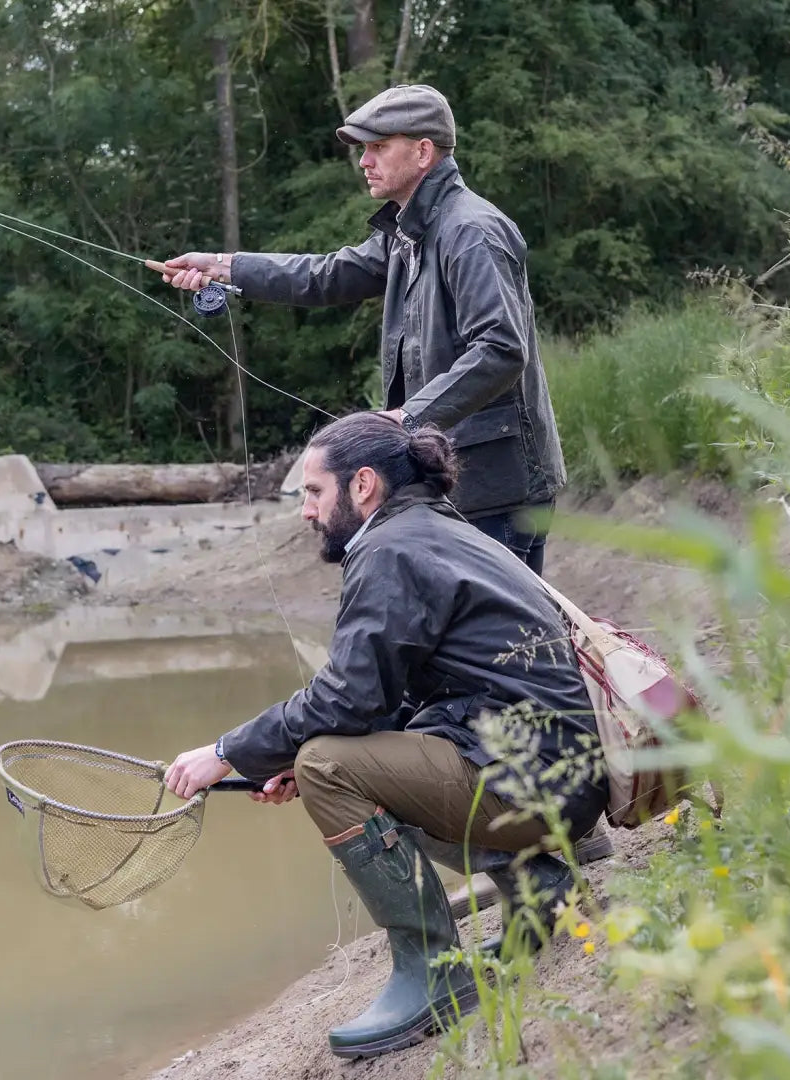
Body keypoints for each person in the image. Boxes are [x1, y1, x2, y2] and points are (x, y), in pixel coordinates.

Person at [163, 412, 608, 1060]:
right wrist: (293, 755)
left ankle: (434, 974)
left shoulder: (389, 549)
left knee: (324, 768)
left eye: (314, 493)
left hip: (535, 781)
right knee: (325, 759)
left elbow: (345, 696)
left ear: (363, 485)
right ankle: (538, 897)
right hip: (561, 777)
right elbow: (389, 697)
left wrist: (225, 752)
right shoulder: (435, 528)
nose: (306, 511)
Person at [158, 82, 566, 576]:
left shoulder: (470, 232)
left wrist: (407, 418)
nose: (364, 161)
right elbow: (325, 276)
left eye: (378, 146)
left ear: (422, 152)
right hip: (454, 477)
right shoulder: (407, 231)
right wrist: (224, 266)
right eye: (364, 149)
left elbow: (500, 349)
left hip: (497, 487)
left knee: (497, 644)